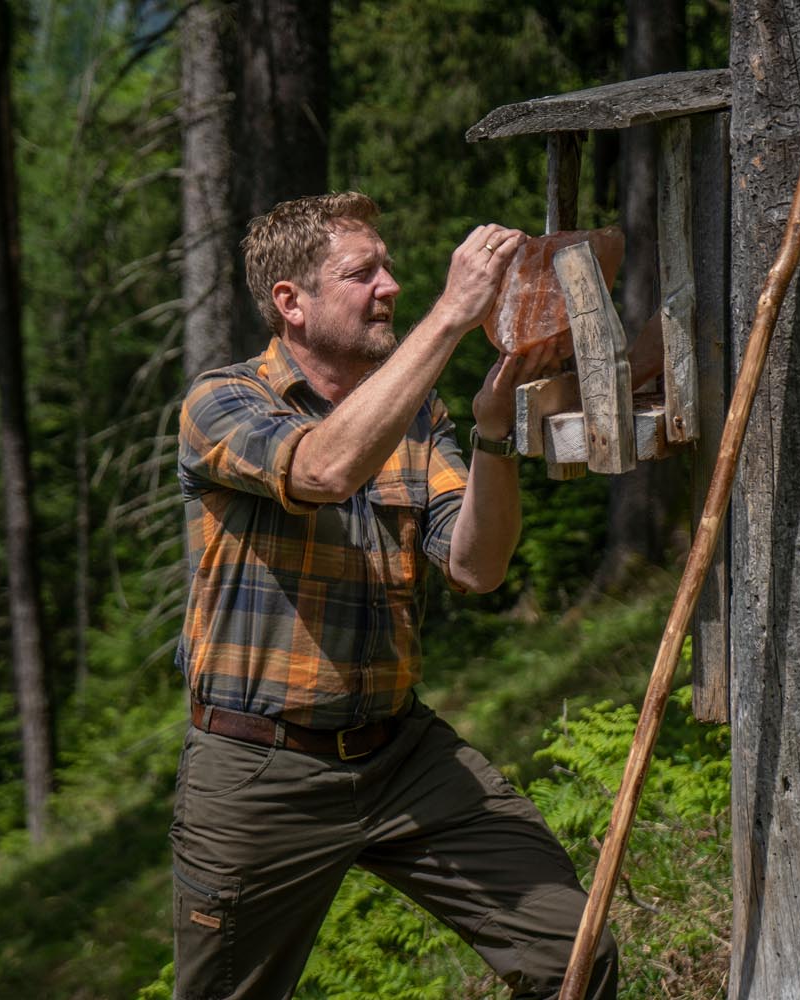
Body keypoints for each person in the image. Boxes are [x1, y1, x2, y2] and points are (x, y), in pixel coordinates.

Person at [171, 191, 619, 1000]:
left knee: (573, 960)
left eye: (388, 266)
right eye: (361, 272)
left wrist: (490, 435)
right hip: (257, 769)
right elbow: (322, 470)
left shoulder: (416, 414)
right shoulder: (222, 401)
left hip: (402, 756)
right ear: (291, 304)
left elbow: (477, 566)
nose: (392, 285)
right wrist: (452, 316)